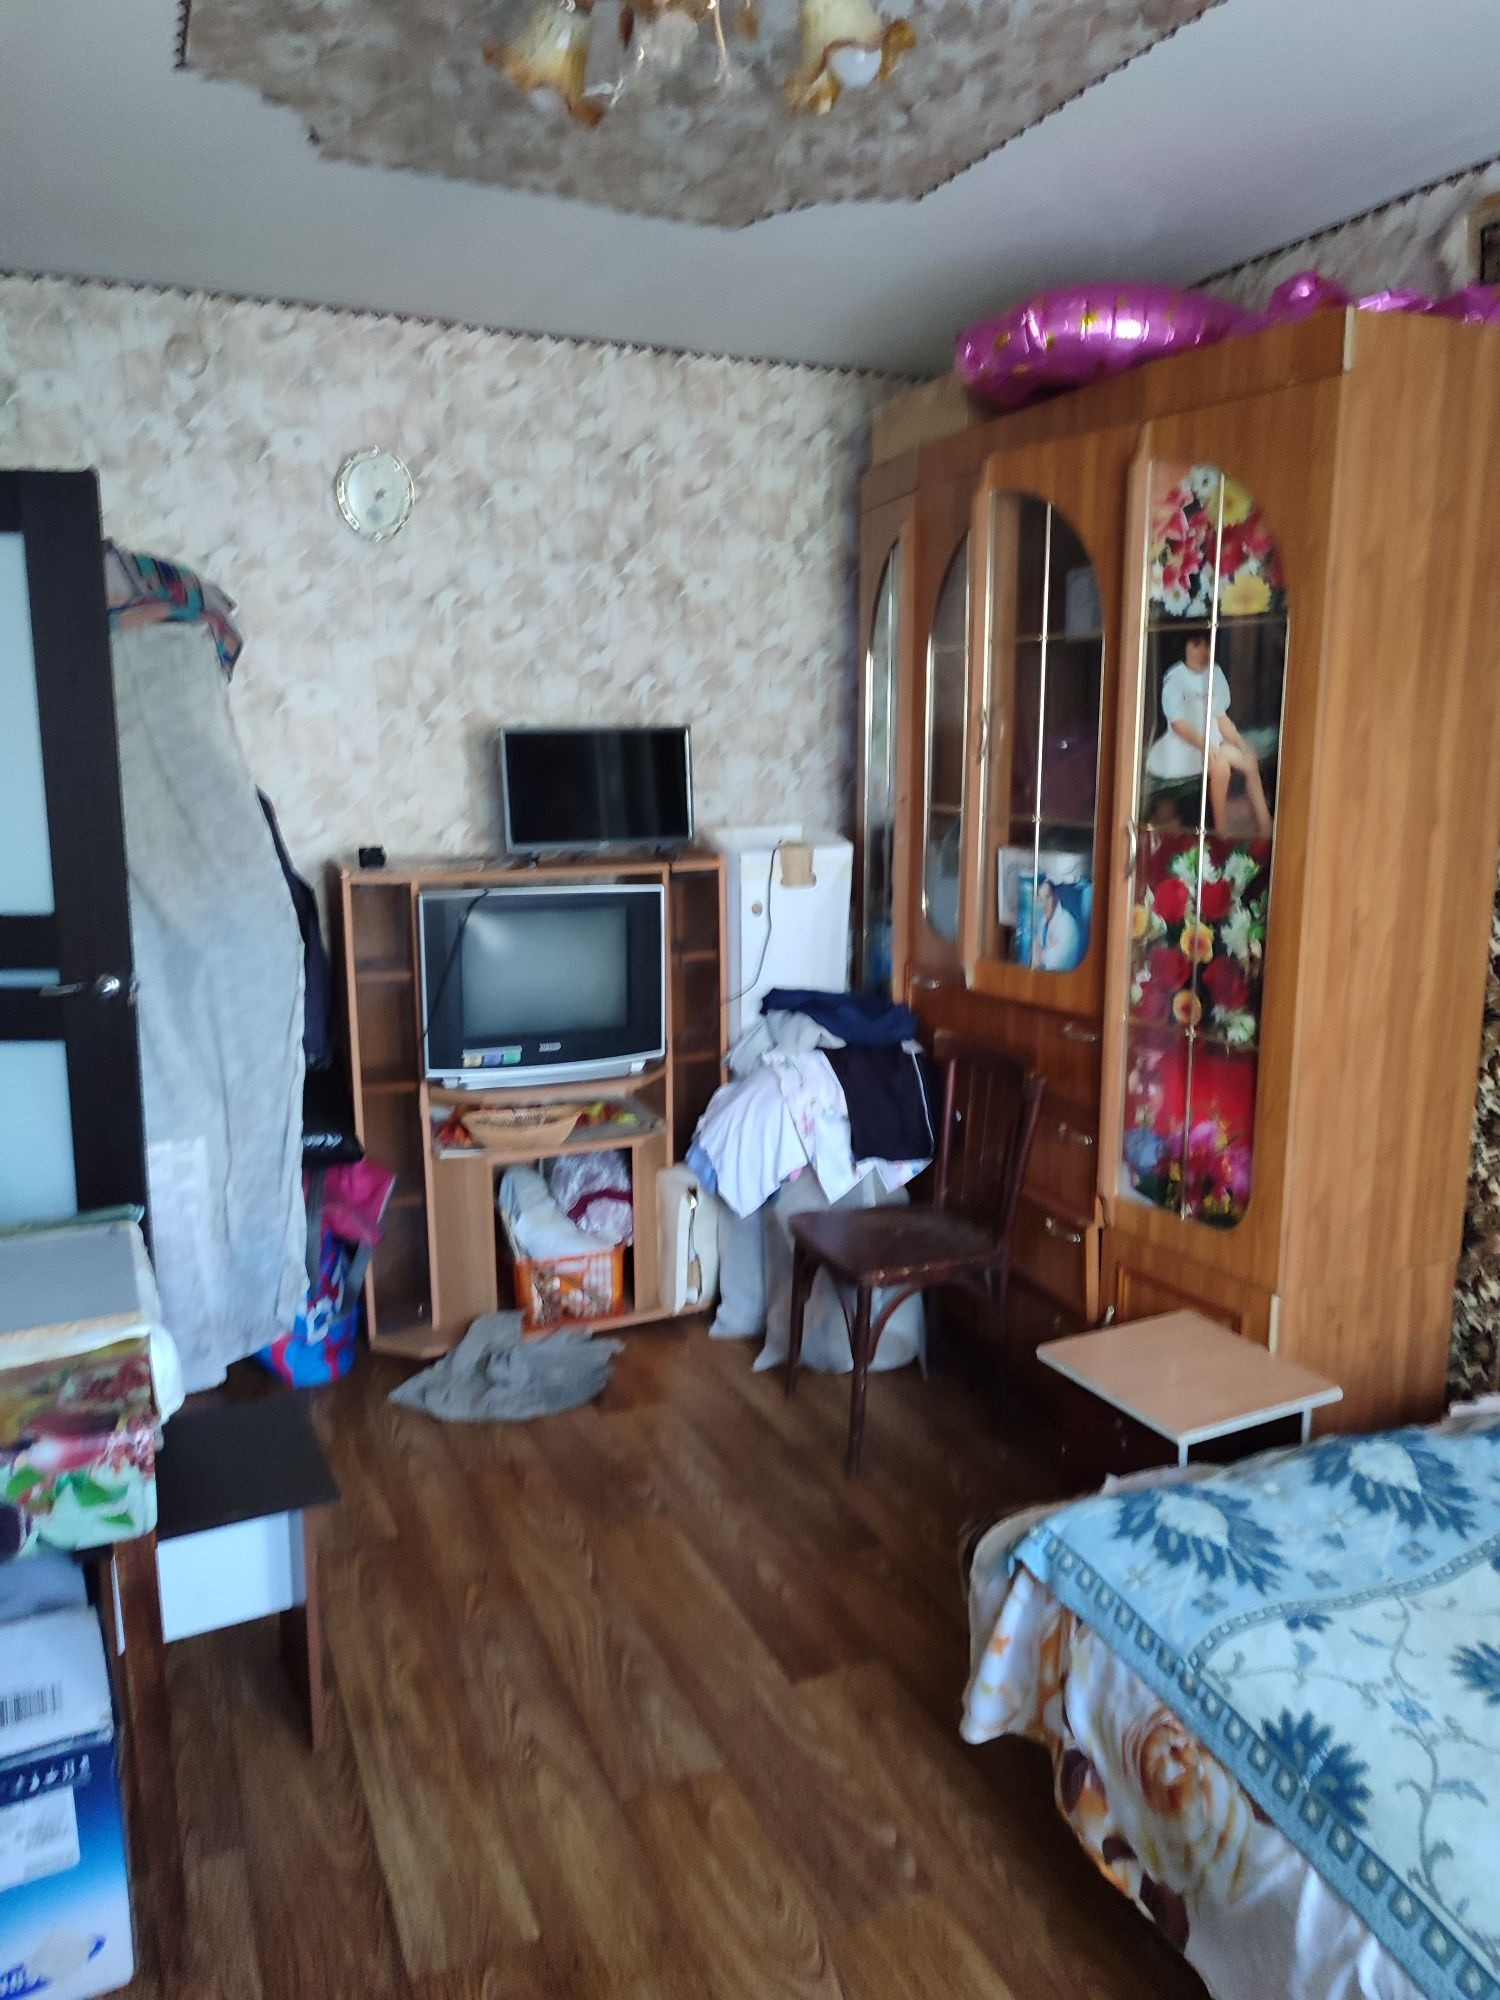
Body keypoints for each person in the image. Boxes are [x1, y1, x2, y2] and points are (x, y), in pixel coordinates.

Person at [1145, 633, 1273, 837]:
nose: (1203, 650)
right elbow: (1178, 724)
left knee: (1248, 761)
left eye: (1207, 645)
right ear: (1185, 648)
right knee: (1220, 765)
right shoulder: (1175, 677)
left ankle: (1265, 826)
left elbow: (1221, 718)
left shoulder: (1215, 673)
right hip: (1184, 749)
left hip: (1213, 744)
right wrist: (1204, 745)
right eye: (1196, 645)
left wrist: (1242, 744)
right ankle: (1221, 830)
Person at [1031, 876, 1082, 971]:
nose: (1044, 904)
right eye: (1041, 899)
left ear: (1056, 896)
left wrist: (1041, 954)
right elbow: (1034, 948)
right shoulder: (1044, 920)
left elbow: (1054, 961)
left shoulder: (1066, 923)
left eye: (1047, 897)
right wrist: (1040, 952)